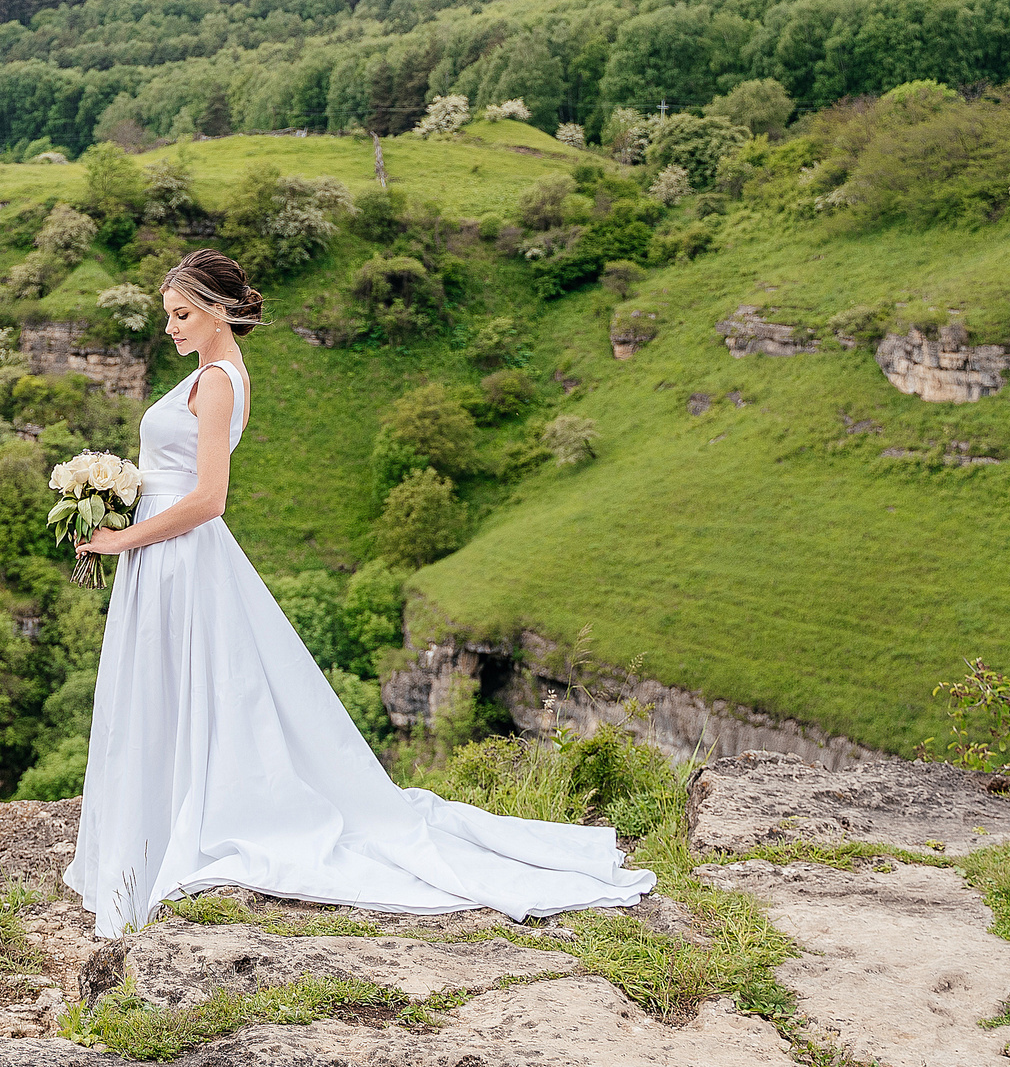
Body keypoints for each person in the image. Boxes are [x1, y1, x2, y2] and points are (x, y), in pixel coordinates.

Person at [62, 247, 654, 938]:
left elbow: (211, 498)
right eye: (168, 314)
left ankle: (172, 837)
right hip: (161, 557)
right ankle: (150, 837)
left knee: (182, 691)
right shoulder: (207, 374)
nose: (170, 326)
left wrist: (122, 538)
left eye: (182, 313)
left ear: (219, 312)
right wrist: (112, 499)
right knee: (165, 693)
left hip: (176, 557)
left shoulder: (219, 381)